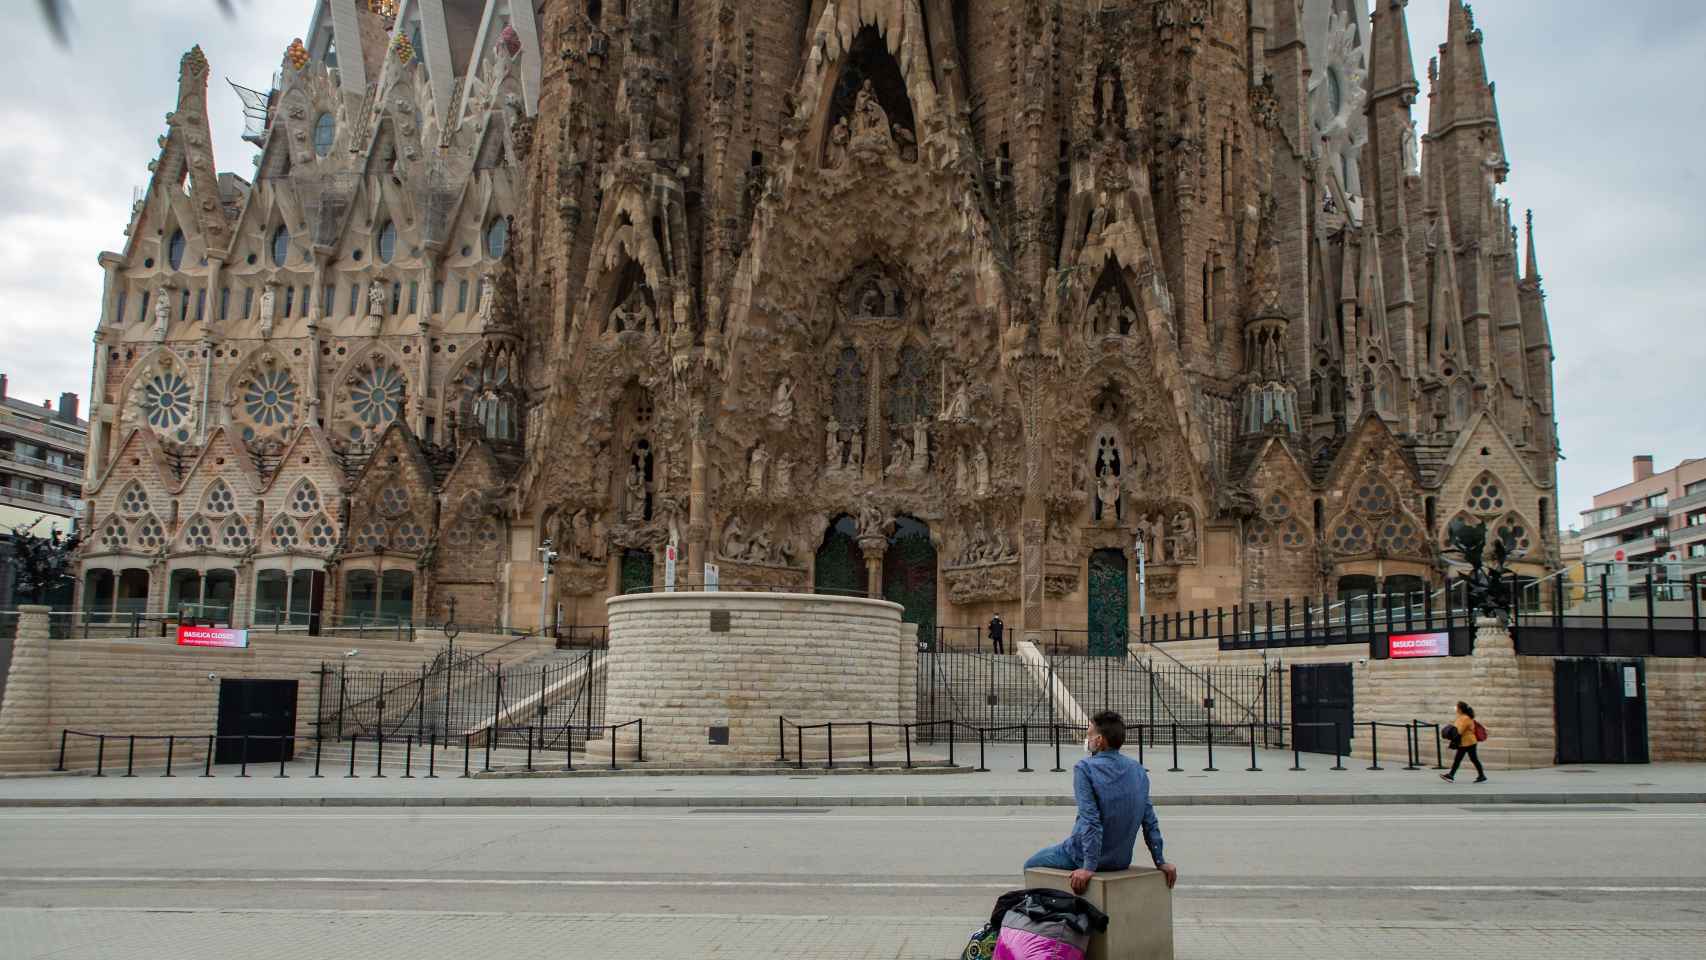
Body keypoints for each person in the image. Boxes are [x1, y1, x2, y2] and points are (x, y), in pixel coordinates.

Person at [1025, 710, 1178, 895]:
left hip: (1081, 855)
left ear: (1099, 741)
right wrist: (1160, 861)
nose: (1086, 739)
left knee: (1030, 865)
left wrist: (1089, 866)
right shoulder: (1137, 770)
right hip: (1120, 860)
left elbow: (1090, 820)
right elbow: (1149, 821)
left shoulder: (1085, 768)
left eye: (1089, 734)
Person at [1441, 700, 1487, 783]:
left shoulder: (1465, 718)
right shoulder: (1462, 717)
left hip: (1469, 742)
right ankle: (1451, 775)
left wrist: (1450, 732)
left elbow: (1460, 731)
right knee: (1462, 759)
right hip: (1465, 742)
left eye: (1457, 707)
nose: (1455, 708)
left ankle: (1481, 775)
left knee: (1472, 759)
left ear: (1460, 709)